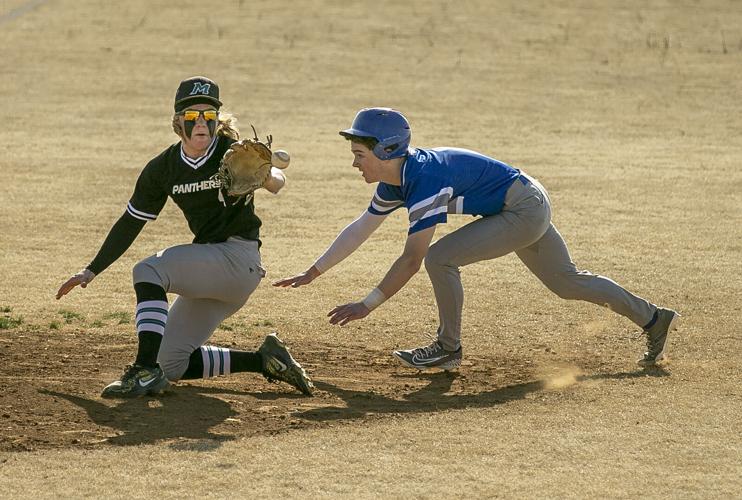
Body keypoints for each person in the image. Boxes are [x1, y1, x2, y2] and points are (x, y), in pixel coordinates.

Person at [274, 107, 679, 370]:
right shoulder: (397, 179)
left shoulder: (423, 180)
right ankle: (654, 318)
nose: (354, 162)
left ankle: (448, 347)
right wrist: (315, 271)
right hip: (521, 201)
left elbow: (412, 260)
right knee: (566, 282)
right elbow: (361, 228)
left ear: (387, 150)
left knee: (438, 258)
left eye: (360, 154)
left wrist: (367, 304)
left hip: (521, 208)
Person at [56, 76, 313, 397]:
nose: (202, 122)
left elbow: (276, 181)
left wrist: (268, 174)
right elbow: (131, 221)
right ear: (178, 123)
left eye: (209, 115)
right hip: (212, 271)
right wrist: (92, 269)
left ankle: (143, 370)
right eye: (192, 116)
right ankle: (264, 361)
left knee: (149, 270)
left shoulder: (230, 151)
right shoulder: (163, 168)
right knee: (172, 362)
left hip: (238, 260)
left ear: (217, 121)